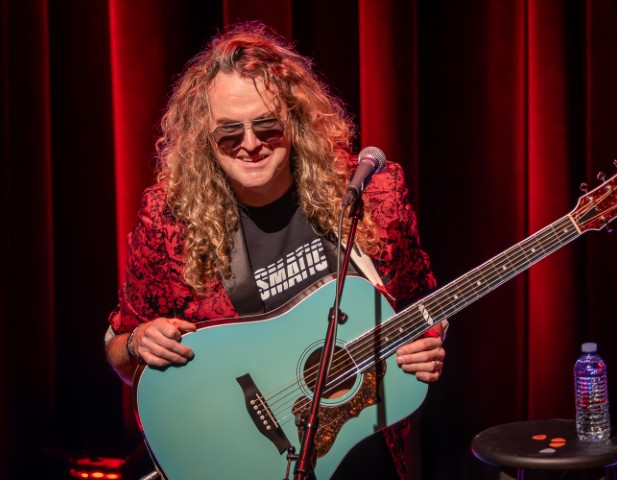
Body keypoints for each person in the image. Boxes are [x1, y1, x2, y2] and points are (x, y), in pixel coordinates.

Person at [104, 20, 447, 480]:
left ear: (295, 120)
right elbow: (121, 353)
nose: (250, 145)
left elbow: (421, 305)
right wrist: (138, 342)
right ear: (205, 138)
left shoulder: (369, 196)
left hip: (363, 460)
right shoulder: (171, 222)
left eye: (267, 126)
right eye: (229, 133)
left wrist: (428, 344)